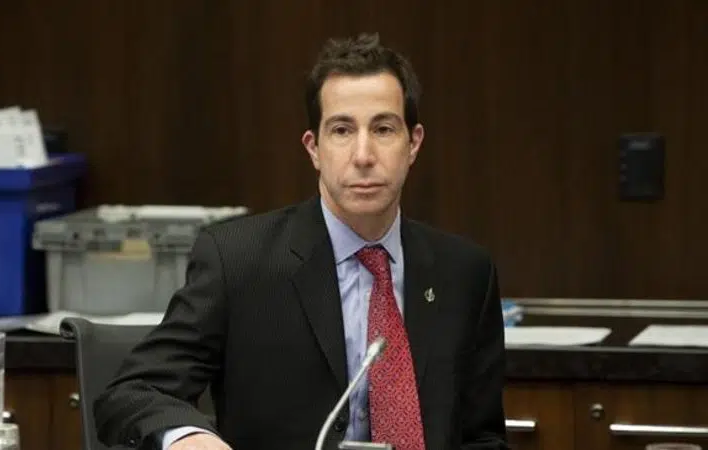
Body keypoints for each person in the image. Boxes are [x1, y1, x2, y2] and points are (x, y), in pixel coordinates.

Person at [93, 32, 508, 450]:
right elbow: (132, 393)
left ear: (413, 143)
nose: (364, 155)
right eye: (342, 130)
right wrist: (188, 438)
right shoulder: (238, 261)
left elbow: (482, 436)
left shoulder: (465, 274)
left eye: (383, 129)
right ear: (314, 148)